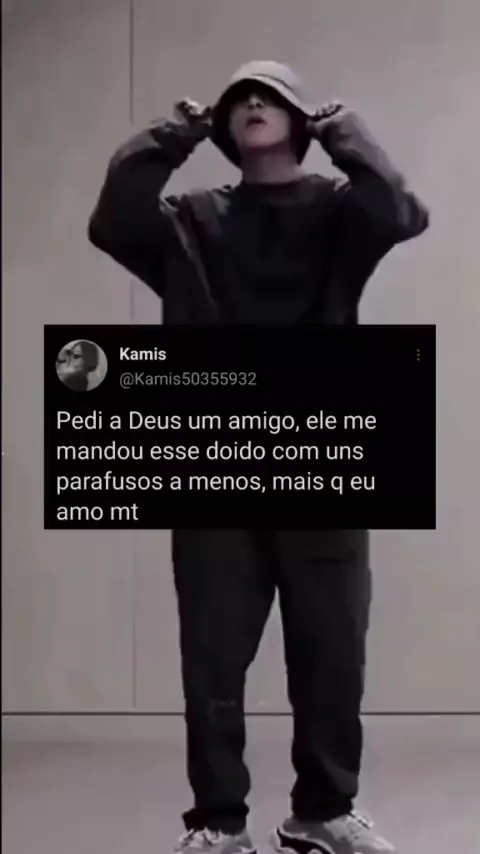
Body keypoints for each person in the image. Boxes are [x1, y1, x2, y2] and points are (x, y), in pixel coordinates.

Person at [88, 61, 429, 854]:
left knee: (332, 647)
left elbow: (402, 211)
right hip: (218, 451)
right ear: (220, 126)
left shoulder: (340, 212)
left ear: (302, 119)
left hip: (326, 452)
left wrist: (345, 133)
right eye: (238, 97)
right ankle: (219, 822)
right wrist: (173, 133)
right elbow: (114, 219)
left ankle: (323, 812)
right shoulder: (190, 220)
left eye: (270, 95)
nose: (250, 103)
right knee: (212, 654)